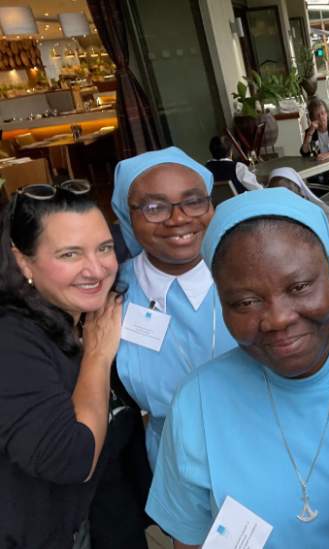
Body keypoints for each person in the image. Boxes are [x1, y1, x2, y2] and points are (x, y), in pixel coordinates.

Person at [146, 188, 329, 548]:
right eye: (246, 301)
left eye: (300, 286)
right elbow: (191, 542)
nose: (277, 319)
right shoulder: (198, 402)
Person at [0, 181, 122, 546]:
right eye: (70, 254)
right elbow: (72, 459)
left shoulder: (81, 317)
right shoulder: (10, 340)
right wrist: (98, 358)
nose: (97, 270)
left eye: (104, 248)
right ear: (23, 260)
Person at [111, 147, 237, 468]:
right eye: (154, 207)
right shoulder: (111, 294)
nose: (178, 218)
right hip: (173, 464)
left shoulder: (248, 270)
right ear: (128, 215)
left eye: (194, 201)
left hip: (269, 445)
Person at [268, 166, 329, 243]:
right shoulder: (273, 215)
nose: (284, 200)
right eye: (277, 195)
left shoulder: (323, 213)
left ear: (300, 192)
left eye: (288, 193)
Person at [300, 97, 329, 162]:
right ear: (312, 118)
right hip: (319, 167)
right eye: (317, 115)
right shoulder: (310, 131)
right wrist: (310, 134)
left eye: (323, 113)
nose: (321, 117)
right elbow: (304, 153)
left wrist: (328, 155)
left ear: (327, 114)